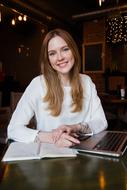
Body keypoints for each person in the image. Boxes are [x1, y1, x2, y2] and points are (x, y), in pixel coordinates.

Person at [7, 28, 107, 147]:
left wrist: (76, 127)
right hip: (49, 154)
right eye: (52, 53)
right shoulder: (38, 84)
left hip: (83, 151)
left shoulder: (86, 81)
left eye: (65, 49)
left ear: (73, 51)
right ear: (48, 59)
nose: (60, 58)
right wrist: (52, 138)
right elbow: (13, 129)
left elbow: (101, 122)